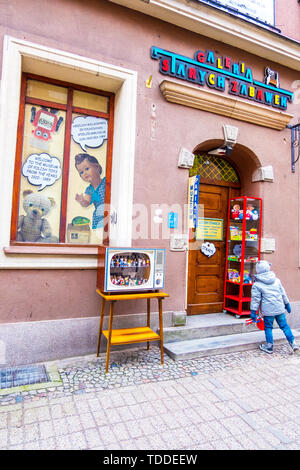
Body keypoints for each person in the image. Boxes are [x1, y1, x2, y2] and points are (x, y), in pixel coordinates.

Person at [250, 260, 299, 354]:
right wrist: (287, 304)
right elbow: (283, 293)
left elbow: (255, 300)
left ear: (258, 270)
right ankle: (293, 344)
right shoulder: (277, 280)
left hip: (268, 311)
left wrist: (253, 311)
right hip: (280, 309)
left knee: (268, 327)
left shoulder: (257, 284)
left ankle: (269, 346)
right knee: (285, 326)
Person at [75, 153, 106, 229]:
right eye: (81, 172)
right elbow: (87, 203)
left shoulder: (106, 182)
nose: (84, 173)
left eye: (87, 169)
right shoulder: (89, 190)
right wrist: (82, 201)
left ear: (97, 167)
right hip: (99, 219)